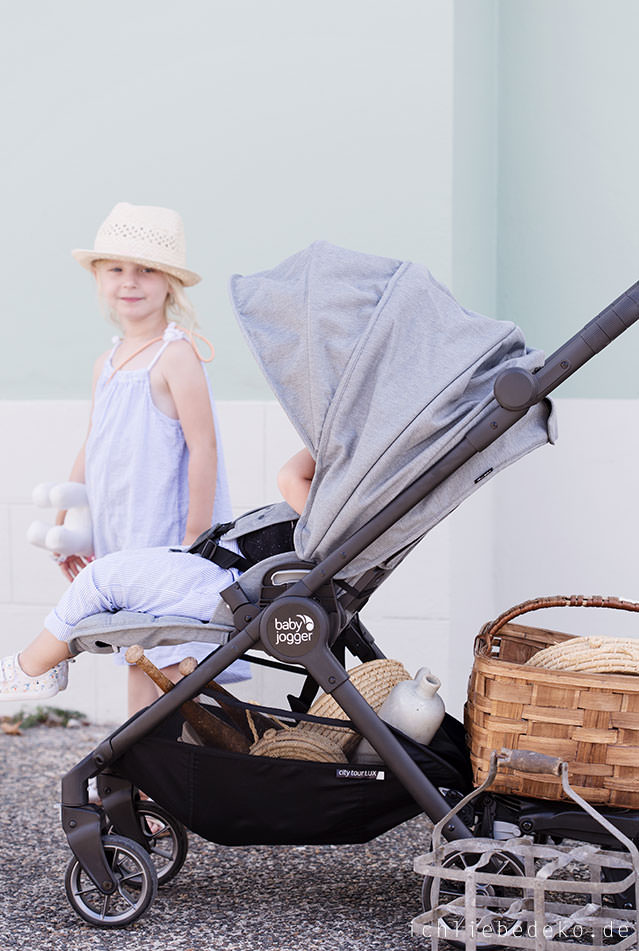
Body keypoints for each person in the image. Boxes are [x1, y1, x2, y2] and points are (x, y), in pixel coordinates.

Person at [52, 201, 247, 711]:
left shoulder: (175, 355)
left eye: (145, 270)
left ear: (169, 284)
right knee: (136, 649)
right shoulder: (108, 362)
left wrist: (194, 538)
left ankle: (153, 773)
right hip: (124, 533)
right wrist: (68, 520)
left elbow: (203, 446)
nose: (129, 281)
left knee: (166, 656)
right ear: (98, 277)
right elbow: (92, 443)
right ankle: (140, 775)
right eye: (115, 268)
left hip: (166, 534)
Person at [0, 449, 315, 701]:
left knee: (100, 582)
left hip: (234, 580)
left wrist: (331, 445)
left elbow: (290, 476)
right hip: (227, 562)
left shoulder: (340, 504)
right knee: (124, 618)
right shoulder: (351, 496)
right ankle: (139, 771)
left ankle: (31, 668)